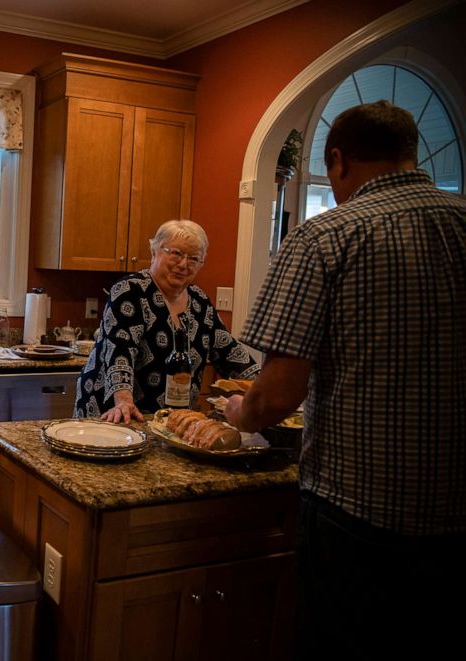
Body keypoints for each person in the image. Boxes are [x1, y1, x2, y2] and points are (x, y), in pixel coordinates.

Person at [223, 101, 466, 657]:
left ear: (337, 161)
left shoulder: (324, 238)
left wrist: (238, 414)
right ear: (412, 152)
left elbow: (276, 396)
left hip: (359, 512)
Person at [74, 219, 259, 422]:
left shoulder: (200, 301)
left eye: (193, 258)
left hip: (170, 420)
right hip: (115, 412)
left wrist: (265, 387)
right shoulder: (130, 291)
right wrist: (123, 400)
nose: (183, 264)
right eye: (176, 253)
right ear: (154, 252)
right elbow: (120, 350)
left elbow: (230, 351)